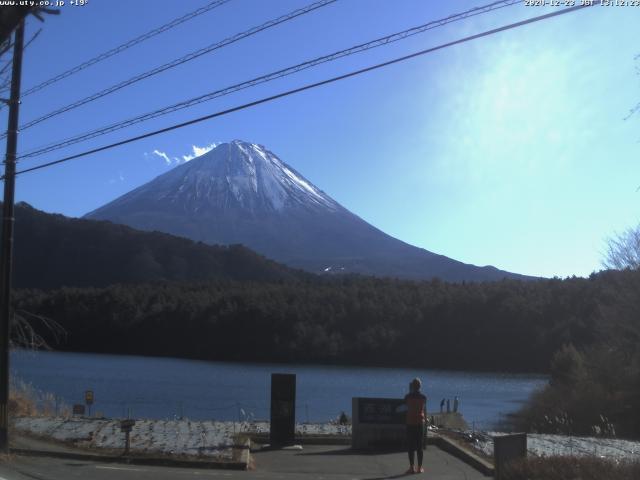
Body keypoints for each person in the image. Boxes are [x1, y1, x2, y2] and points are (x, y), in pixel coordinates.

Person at [404, 377, 426, 474]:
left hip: (410, 423)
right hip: (419, 423)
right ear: (420, 386)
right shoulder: (424, 397)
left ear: (412, 386)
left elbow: (406, 404)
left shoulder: (407, 396)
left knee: (411, 446)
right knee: (419, 447)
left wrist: (410, 390)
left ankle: (411, 467)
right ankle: (419, 468)